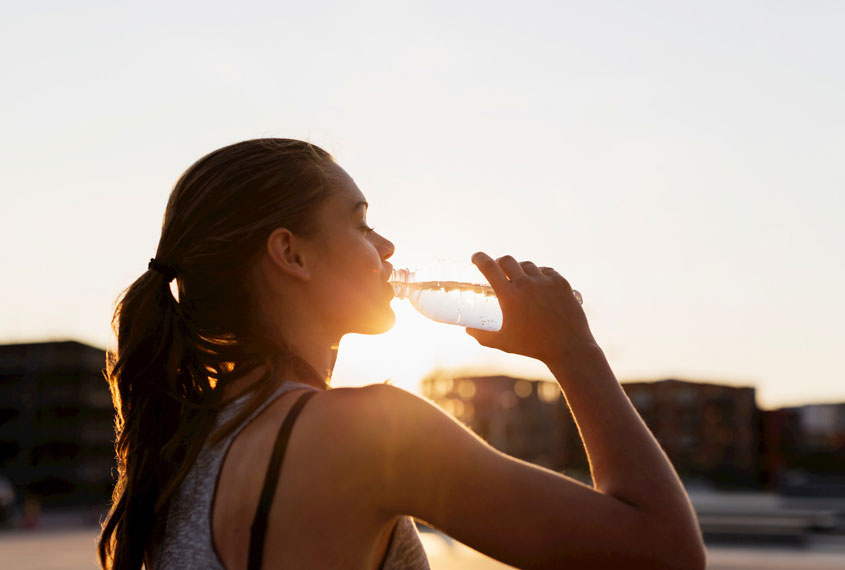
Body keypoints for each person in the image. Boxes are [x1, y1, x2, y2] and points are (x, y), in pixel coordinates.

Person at [97, 138, 706, 570]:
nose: (387, 246)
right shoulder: (364, 434)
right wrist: (574, 352)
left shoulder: (183, 452)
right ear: (292, 254)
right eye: (361, 225)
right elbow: (666, 554)